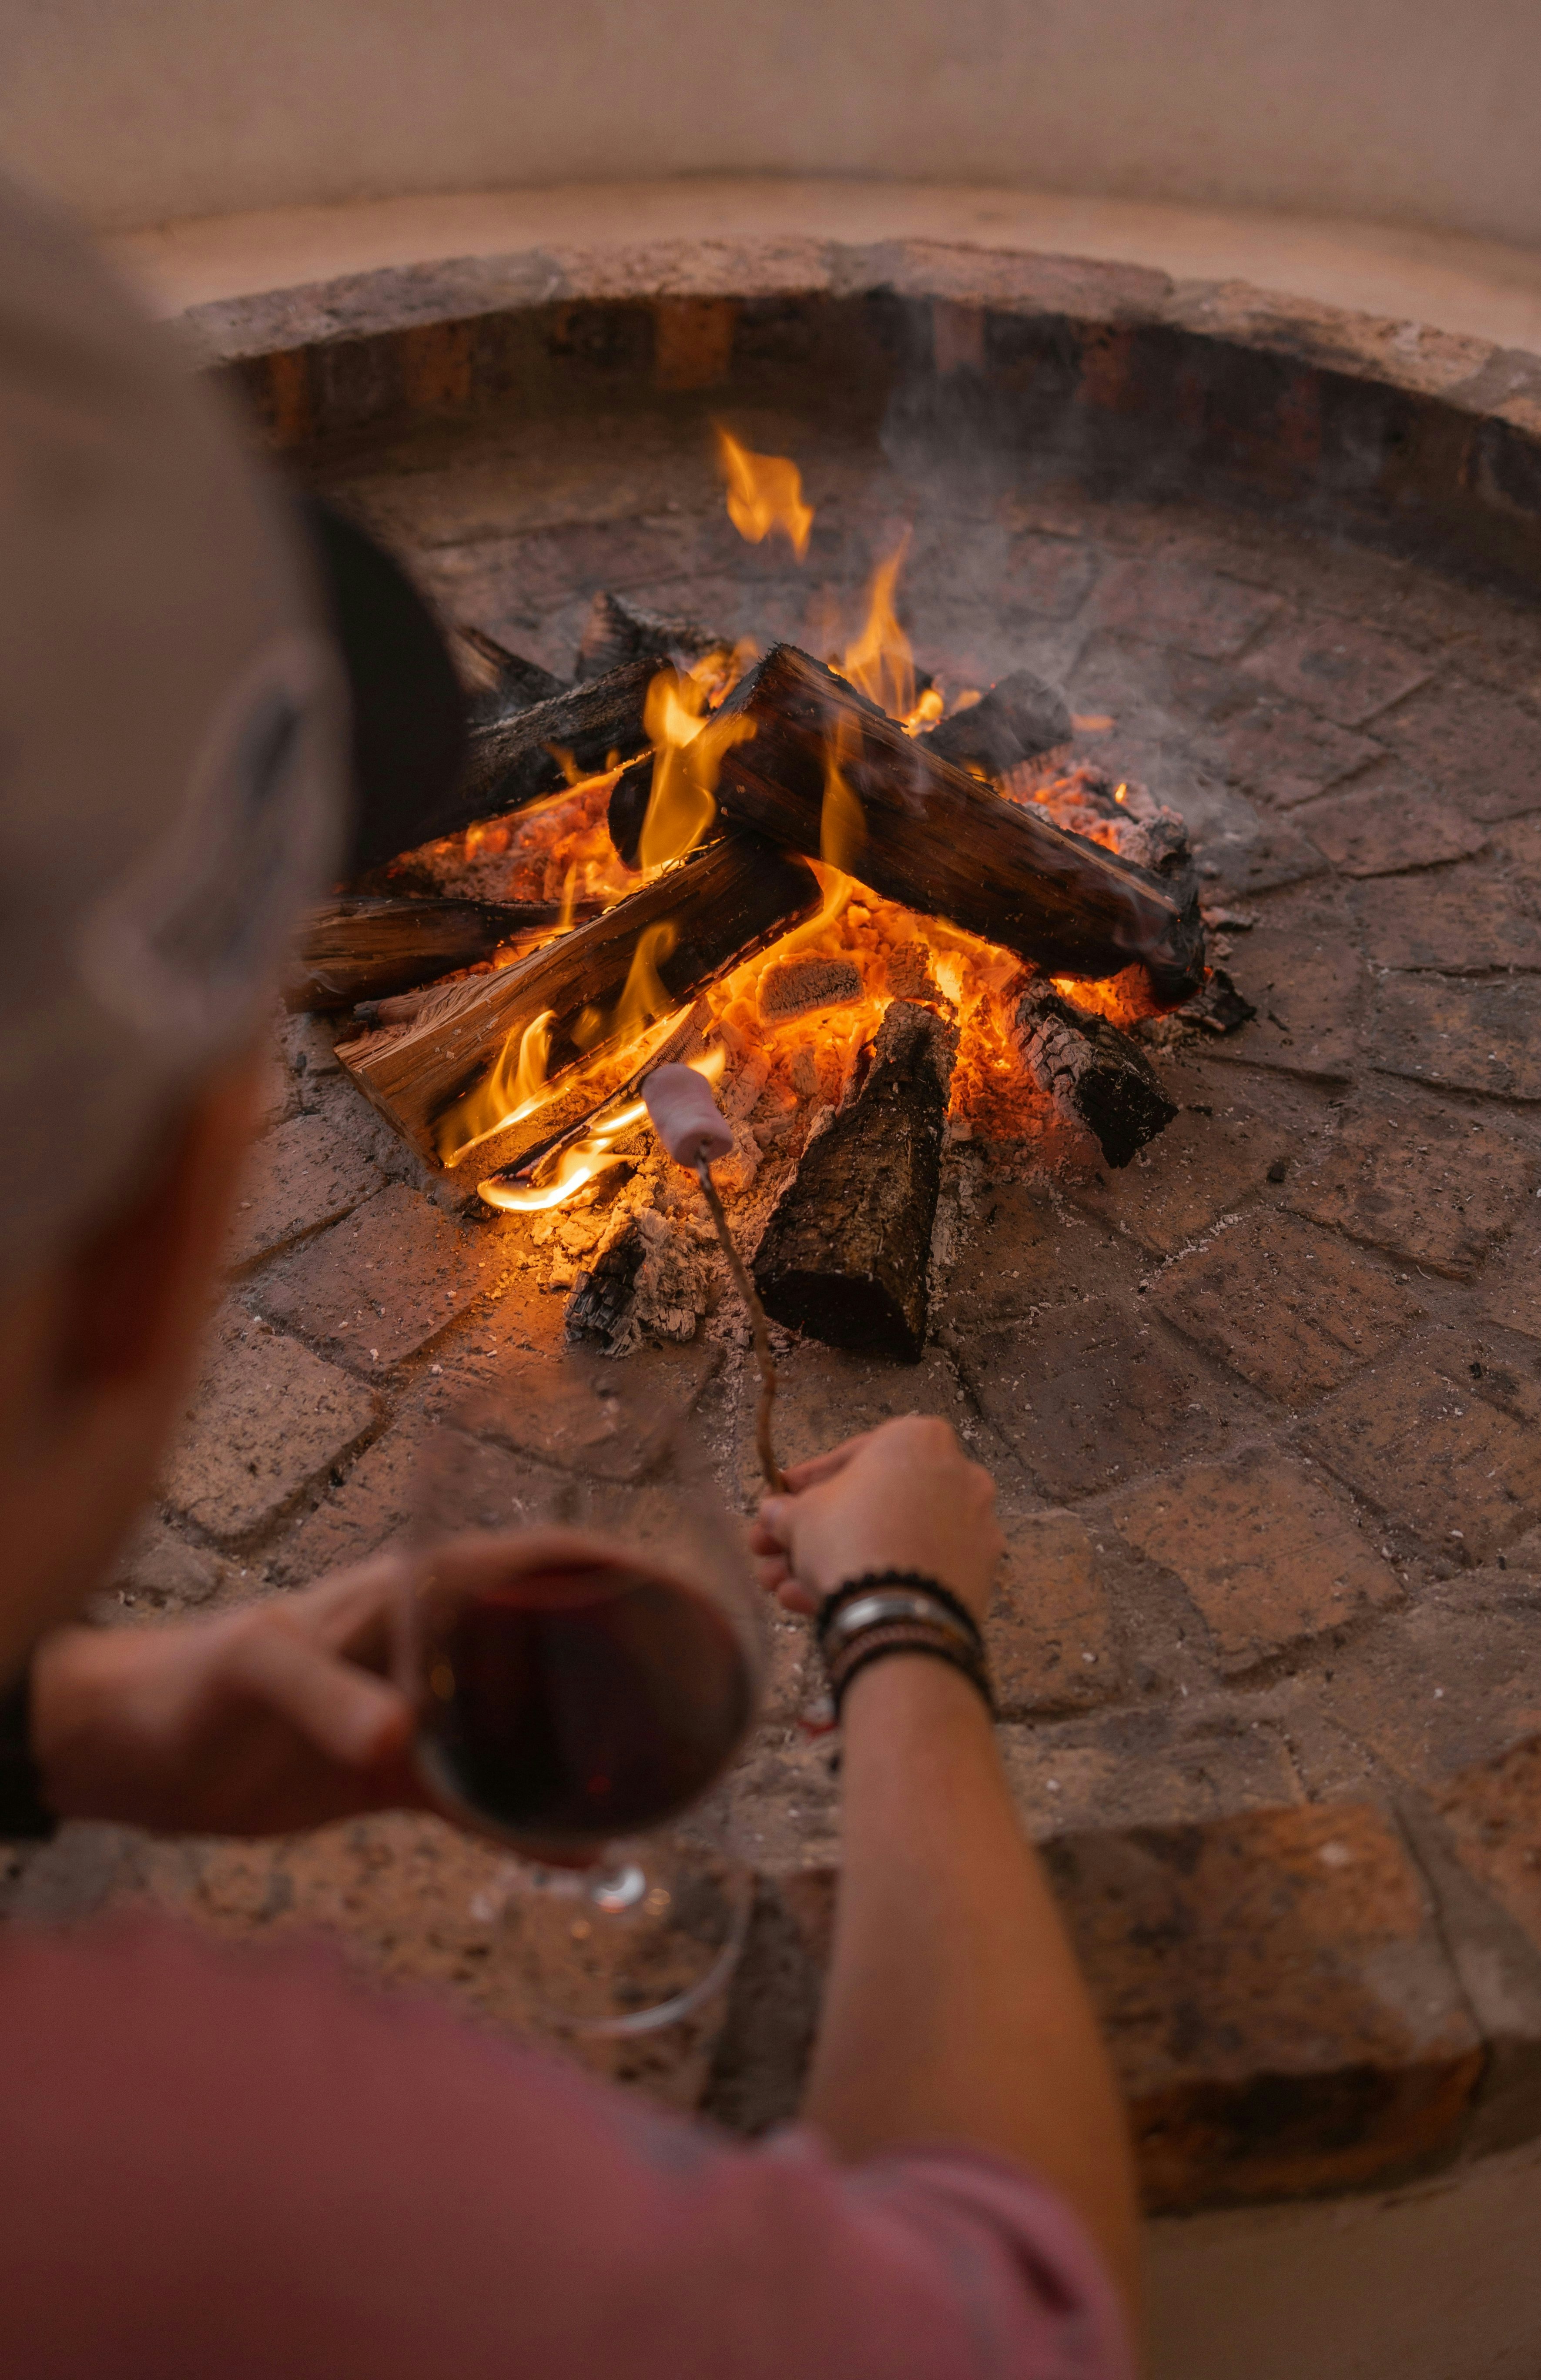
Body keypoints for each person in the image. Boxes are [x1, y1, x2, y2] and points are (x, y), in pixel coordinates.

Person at [0, 172, 1139, 2377]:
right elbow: (1017, 2319)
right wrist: (907, 1622)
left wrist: (78, 1726)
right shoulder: (209, 2178)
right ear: (140, 1261)